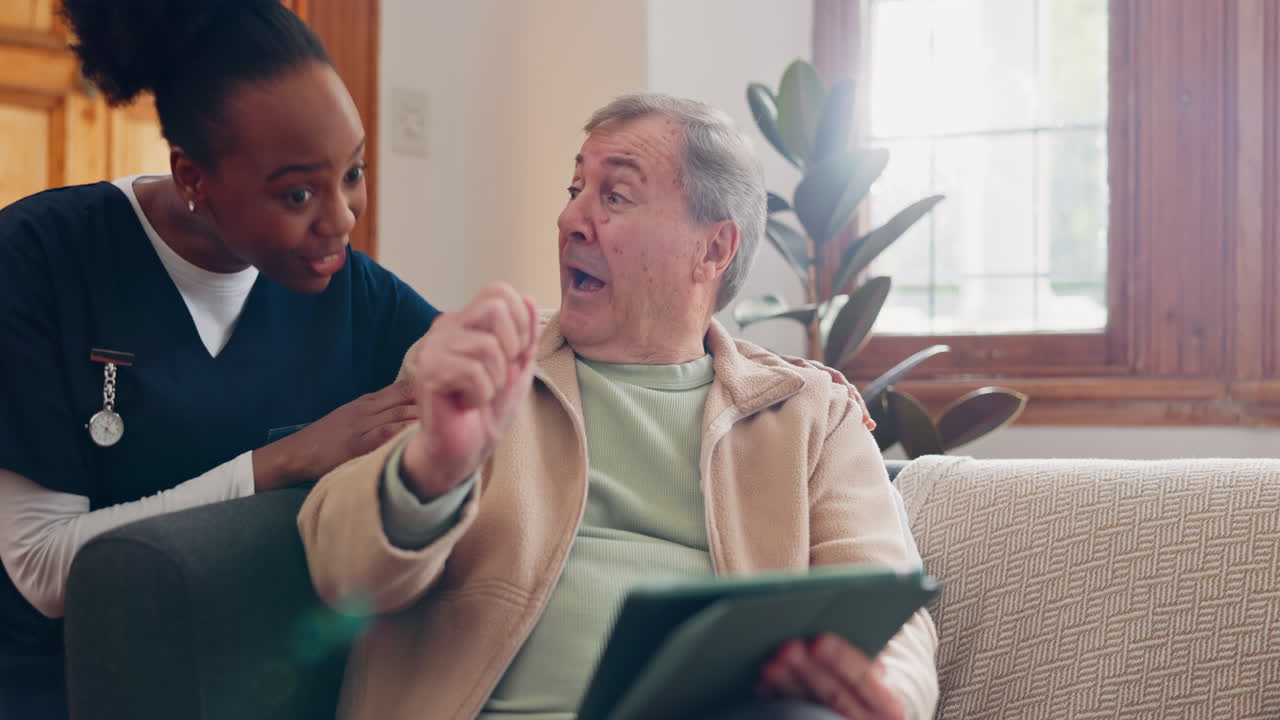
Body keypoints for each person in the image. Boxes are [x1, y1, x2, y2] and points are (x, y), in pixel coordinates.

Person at [299, 93, 938, 720]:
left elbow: (890, 608)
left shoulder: (809, 415)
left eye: (615, 197)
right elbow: (340, 571)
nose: (570, 219)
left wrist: (884, 695)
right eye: (574, 189)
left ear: (714, 250)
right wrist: (431, 470)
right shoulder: (481, 368)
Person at [0, 1, 439, 716]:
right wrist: (282, 462)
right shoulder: (39, 261)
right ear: (194, 177)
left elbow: (487, 380)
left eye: (353, 172)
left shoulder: (353, 293)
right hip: (70, 688)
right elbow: (44, 568)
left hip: (262, 683)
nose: (341, 218)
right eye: (298, 192)